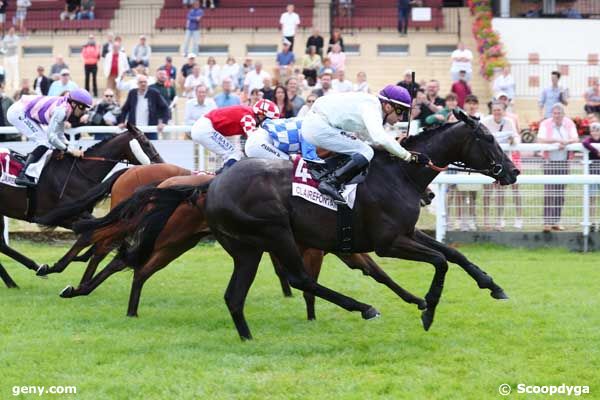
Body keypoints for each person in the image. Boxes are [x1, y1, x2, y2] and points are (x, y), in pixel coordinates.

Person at [301, 85, 429, 202]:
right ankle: (331, 182)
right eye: (401, 112)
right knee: (366, 151)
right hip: (318, 127)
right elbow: (380, 138)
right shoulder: (372, 107)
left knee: (363, 149)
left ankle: (332, 178)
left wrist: (395, 147)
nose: (401, 118)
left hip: (317, 125)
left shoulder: (370, 106)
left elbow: (368, 137)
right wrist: (409, 156)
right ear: (388, 106)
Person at [7, 88, 93, 186]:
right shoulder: (62, 111)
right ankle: (23, 175)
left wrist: (72, 148)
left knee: (48, 143)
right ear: (74, 104)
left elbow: (60, 135)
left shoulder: (66, 108)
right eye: (82, 107)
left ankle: (29, 164)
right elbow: (51, 137)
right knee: (45, 142)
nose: (83, 111)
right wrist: (69, 150)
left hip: (24, 111)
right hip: (18, 112)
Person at [190, 99, 280, 170]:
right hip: (205, 128)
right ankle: (222, 178)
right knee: (234, 154)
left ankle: (221, 175)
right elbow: (254, 140)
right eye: (269, 120)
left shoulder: (249, 113)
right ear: (261, 116)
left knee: (234, 154)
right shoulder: (248, 117)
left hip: (206, 126)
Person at [537, 103, 579, 232]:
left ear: (563, 114)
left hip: (564, 162)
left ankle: (556, 221)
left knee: (560, 193)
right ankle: (547, 223)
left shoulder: (569, 123)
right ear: (552, 114)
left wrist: (566, 142)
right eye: (554, 113)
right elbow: (540, 139)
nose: (557, 116)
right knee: (549, 192)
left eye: (559, 113)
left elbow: (575, 138)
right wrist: (555, 141)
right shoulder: (545, 124)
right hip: (550, 162)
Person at [481, 101, 522, 230]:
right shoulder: (486, 121)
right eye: (495, 110)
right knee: (487, 191)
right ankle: (486, 219)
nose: (497, 112)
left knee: (502, 191)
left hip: (505, 161)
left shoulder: (509, 122)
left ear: (504, 111)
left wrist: (512, 140)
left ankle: (501, 219)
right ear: (491, 111)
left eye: (499, 110)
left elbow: (515, 137)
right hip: (489, 161)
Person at [118, 75, 170, 140]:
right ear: (137, 84)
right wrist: (122, 121)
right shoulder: (132, 93)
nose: (143, 84)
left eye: (145, 82)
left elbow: (165, 107)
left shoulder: (154, 93)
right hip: (135, 129)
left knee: (152, 148)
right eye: (141, 82)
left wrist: (164, 122)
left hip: (150, 129)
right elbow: (125, 109)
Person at [245, 117, 318, 161]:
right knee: (292, 165)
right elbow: (309, 157)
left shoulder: (305, 120)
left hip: (256, 140)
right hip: (258, 144)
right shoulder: (311, 126)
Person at [583, 122, 600, 230]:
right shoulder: (589, 140)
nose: (595, 133)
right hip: (592, 173)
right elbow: (585, 143)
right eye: (593, 130)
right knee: (592, 198)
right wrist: (596, 150)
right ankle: (592, 222)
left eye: (597, 130)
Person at [2, 27, 20, 93]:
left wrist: (8, 45)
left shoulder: (16, 38)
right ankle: (8, 86)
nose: (11, 31)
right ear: (9, 30)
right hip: (6, 57)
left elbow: (14, 46)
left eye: (13, 30)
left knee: (15, 72)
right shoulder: (5, 38)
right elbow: (3, 47)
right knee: (7, 72)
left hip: (14, 57)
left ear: (14, 31)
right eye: (10, 30)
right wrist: (9, 45)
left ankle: (16, 86)